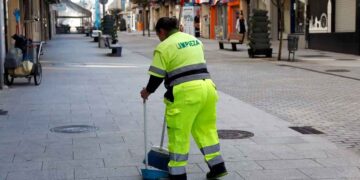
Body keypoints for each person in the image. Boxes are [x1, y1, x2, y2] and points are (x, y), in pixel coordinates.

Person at [140, 17, 228, 180]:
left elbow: (157, 76)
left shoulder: (163, 47)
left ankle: (177, 175)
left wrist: (147, 92)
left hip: (186, 94)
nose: (158, 38)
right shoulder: (194, 40)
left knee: (179, 134)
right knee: (206, 129)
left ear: (162, 32)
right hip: (208, 88)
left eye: (158, 34)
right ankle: (217, 166)